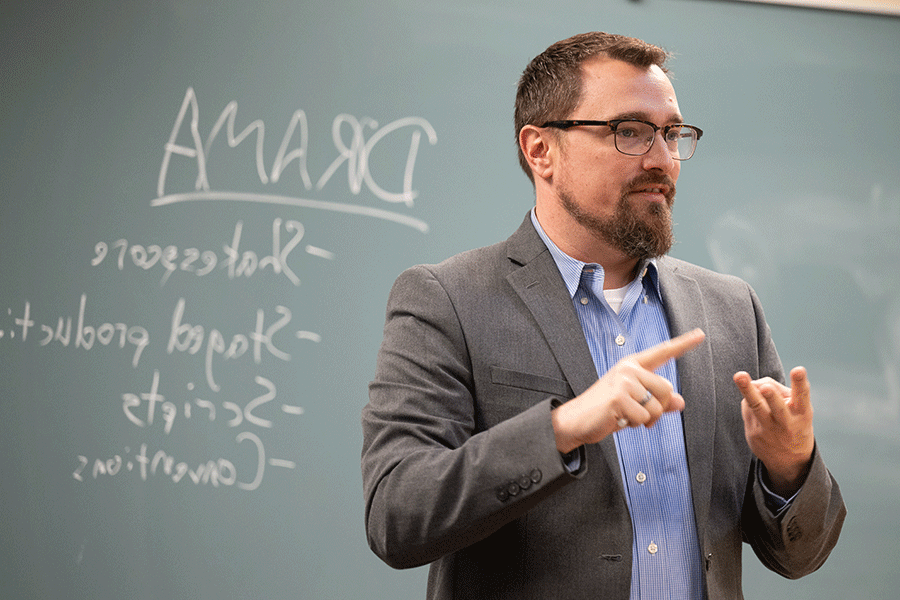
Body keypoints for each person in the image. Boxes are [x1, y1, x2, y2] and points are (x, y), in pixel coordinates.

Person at [361, 32, 845, 599]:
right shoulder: (447, 300)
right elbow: (396, 516)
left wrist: (791, 468)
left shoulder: (730, 309)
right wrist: (563, 428)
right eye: (629, 132)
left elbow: (800, 555)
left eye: (671, 134)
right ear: (540, 150)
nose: (662, 160)